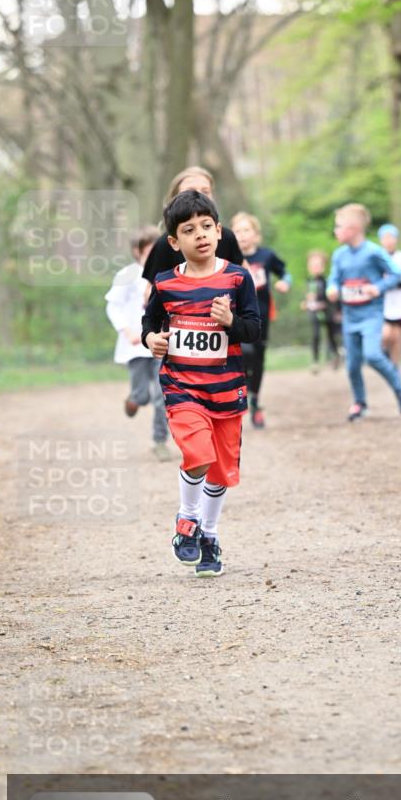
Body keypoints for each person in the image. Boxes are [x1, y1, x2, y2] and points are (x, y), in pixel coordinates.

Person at [141, 191, 260, 577]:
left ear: (219, 230)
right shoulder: (165, 284)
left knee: (221, 471)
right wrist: (150, 340)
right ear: (175, 242)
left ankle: (208, 535)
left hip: (226, 389)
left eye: (206, 226)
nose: (200, 235)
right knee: (198, 454)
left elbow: (254, 331)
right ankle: (186, 522)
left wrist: (231, 323)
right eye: (189, 230)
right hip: (183, 386)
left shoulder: (238, 279)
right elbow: (150, 322)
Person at [326, 203, 401, 421]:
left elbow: (395, 273)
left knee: (373, 355)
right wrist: (332, 288)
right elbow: (334, 277)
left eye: (339, 226)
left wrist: (379, 287)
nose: (335, 231)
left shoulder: (374, 252)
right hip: (350, 317)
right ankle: (360, 403)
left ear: (353, 228)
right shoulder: (339, 255)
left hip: (371, 315)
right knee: (353, 365)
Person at [105, 226, 172, 461]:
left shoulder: (168, 274)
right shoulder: (128, 274)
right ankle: (133, 400)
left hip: (160, 344)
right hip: (134, 346)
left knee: (162, 395)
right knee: (143, 396)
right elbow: (113, 306)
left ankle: (159, 441)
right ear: (137, 252)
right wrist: (126, 330)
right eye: (149, 252)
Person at [230, 212, 291, 428]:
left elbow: (284, 272)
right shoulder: (229, 258)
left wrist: (285, 282)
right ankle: (240, 395)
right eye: (237, 231)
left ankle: (255, 402)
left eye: (246, 230)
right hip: (238, 318)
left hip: (262, 318)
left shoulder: (266, 256)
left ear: (256, 235)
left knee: (258, 359)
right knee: (244, 354)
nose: (242, 235)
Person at [142, 166, 244, 284]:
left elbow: (244, 280)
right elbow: (151, 292)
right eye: (190, 191)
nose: (198, 197)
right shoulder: (164, 245)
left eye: (206, 191)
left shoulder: (227, 237)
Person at [377, 224, 401, 365]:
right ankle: (384, 353)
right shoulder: (377, 256)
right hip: (382, 300)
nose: (388, 241)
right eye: (385, 238)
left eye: (391, 237)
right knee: (386, 334)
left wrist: (391, 282)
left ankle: (395, 365)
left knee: (397, 336)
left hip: (398, 299)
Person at [300, 250, 341, 372]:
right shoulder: (308, 281)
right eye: (312, 265)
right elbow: (308, 298)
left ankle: (335, 356)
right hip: (314, 313)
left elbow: (333, 297)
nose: (315, 268)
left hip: (327, 312)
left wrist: (336, 310)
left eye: (318, 265)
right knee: (315, 335)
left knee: (331, 335)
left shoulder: (327, 281)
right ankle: (315, 361)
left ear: (323, 267)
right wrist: (305, 303)